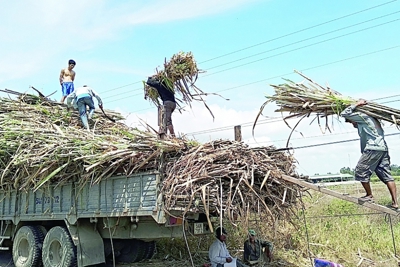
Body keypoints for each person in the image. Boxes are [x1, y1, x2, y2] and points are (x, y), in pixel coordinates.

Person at [341, 99, 398, 211]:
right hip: (383, 149)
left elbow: (344, 113)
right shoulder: (373, 120)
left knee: (360, 171)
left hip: (373, 149)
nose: (351, 123)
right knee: (386, 175)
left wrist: (356, 104)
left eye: (350, 120)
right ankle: (395, 203)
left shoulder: (363, 116)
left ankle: (369, 195)